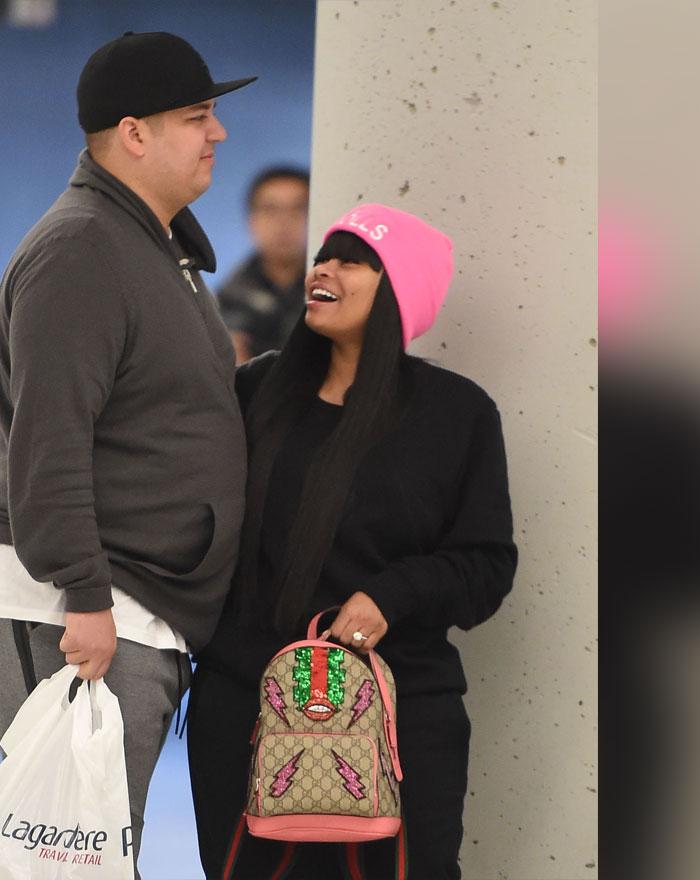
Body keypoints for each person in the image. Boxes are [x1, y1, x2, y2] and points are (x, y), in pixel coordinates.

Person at [0, 31, 254, 874]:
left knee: (97, 848)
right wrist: (84, 594)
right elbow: (48, 441)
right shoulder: (83, 249)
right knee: (70, 853)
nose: (217, 133)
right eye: (197, 116)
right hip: (79, 601)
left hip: (138, 601)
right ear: (133, 133)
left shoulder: (159, 250)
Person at [187, 204, 519, 878]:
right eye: (324, 256)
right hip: (247, 707)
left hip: (398, 714)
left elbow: (486, 566)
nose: (324, 268)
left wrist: (389, 597)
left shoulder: (457, 415)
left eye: (352, 259)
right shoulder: (256, 391)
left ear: (400, 287)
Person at [216, 166, 310, 363]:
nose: (284, 222)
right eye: (270, 210)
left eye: (299, 209)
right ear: (251, 220)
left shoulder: (333, 290)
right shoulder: (226, 302)